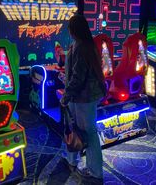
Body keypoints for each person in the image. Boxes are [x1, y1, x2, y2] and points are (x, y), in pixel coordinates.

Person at [60, 14, 106, 184]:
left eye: (70, 29)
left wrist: (66, 96)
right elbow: (76, 74)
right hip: (82, 96)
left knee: (89, 133)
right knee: (75, 129)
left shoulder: (81, 47)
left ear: (75, 30)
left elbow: (78, 78)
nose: (69, 32)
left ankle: (95, 171)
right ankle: (72, 160)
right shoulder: (83, 45)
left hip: (83, 98)